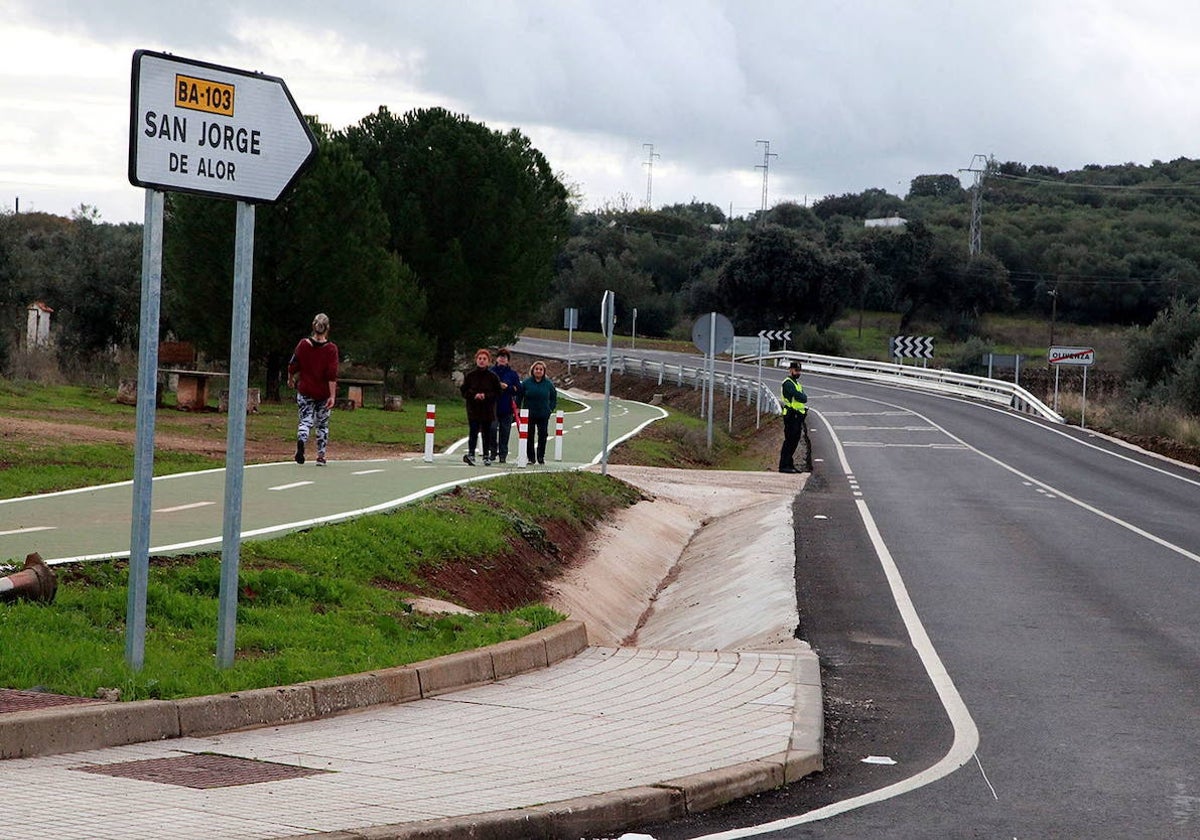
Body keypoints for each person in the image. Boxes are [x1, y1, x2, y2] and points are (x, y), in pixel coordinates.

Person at [287, 313, 338, 467]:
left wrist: (291, 378)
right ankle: (321, 456)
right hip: (323, 392)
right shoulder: (331, 349)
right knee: (322, 424)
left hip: (305, 390)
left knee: (305, 420)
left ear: (313, 326)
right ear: (327, 328)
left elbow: (293, 364)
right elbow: (332, 374)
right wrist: (332, 396)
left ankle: (302, 439)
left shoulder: (303, 345)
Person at [460, 348, 501, 466]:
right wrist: (474, 395)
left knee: (486, 433)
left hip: (487, 409)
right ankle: (471, 454)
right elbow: (464, 391)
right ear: (476, 360)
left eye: (484, 359)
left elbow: (498, 392)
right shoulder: (470, 375)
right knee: (473, 431)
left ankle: (486, 456)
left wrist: (486, 396)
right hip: (473, 408)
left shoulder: (493, 377)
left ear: (488, 361)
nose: (482, 361)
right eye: (480, 359)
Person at [520, 360, 557, 465]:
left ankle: (541, 457)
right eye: (536, 369)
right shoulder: (526, 383)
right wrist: (518, 409)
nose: (538, 371)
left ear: (544, 371)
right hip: (529, 414)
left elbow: (553, 397)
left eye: (541, 369)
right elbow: (519, 396)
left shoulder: (548, 384)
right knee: (529, 436)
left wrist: (550, 409)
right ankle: (531, 457)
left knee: (543, 435)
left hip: (543, 414)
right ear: (533, 370)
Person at [778, 360, 811, 474]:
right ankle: (784, 465)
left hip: (797, 416)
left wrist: (802, 397)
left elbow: (804, 397)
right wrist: (801, 397)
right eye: (796, 370)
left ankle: (789, 464)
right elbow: (799, 396)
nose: (798, 373)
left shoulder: (796, 384)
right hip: (791, 415)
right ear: (790, 370)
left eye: (799, 371)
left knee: (795, 440)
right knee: (790, 440)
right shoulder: (788, 383)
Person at [490, 349, 523, 463]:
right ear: (497, 359)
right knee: (492, 429)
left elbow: (518, 389)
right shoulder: (491, 372)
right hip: (492, 407)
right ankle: (493, 451)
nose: (502, 359)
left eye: (505, 357)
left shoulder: (512, 374)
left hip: (507, 407)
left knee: (505, 432)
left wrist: (507, 387)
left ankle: (503, 454)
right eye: (500, 356)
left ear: (508, 360)